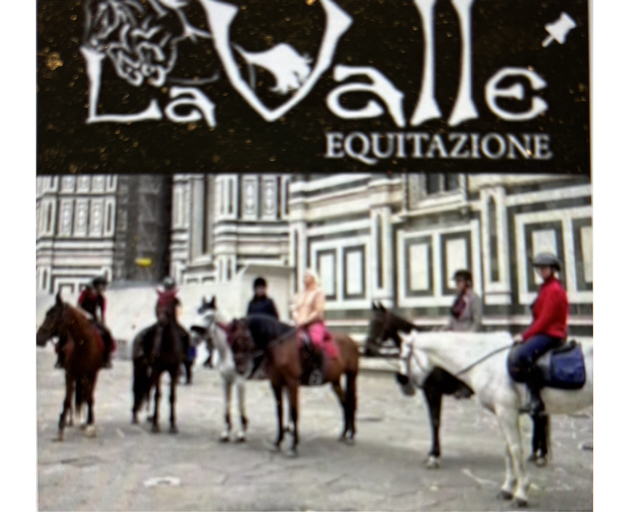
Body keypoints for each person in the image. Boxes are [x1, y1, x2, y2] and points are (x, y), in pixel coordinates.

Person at [512, 253, 568, 416]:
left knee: (523, 355)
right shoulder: (546, 287)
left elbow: (545, 319)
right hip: (544, 331)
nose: (541, 271)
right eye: (539, 268)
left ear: (552, 269)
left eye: (545, 268)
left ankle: (536, 399)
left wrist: (524, 336)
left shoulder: (554, 289)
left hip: (551, 333)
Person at [63, 276, 114, 368]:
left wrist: (103, 325)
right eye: (102, 286)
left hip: (93, 319)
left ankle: (106, 358)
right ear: (97, 286)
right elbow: (78, 306)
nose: (103, 288)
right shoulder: (85, 293)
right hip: (80, 317)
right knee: (65, 331)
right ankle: (61, 357)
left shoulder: (101, 298)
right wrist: (86, 315)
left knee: (106, 334)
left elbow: (102, 313)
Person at [292, 269, 331, 384]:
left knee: (315, 341)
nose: (304, 279)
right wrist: (296, 317)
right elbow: (295, 308)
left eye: (307, 276)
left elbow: (318, 311)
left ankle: (318, 369)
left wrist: (306, 320)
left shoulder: (318, 292)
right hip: (300, 324)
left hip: (314, 323)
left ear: (313, 278)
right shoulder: (301, 294)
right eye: (304, 277)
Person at [153, 277, 190, 376]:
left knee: (185, 335)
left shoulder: (163, 299)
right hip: (169, 323)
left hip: (165, 322)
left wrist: (161, 317)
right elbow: (179, 311)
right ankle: (185, 357)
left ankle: (185, 358)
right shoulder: (172, 299)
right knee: (185, 336)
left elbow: (156, 310)